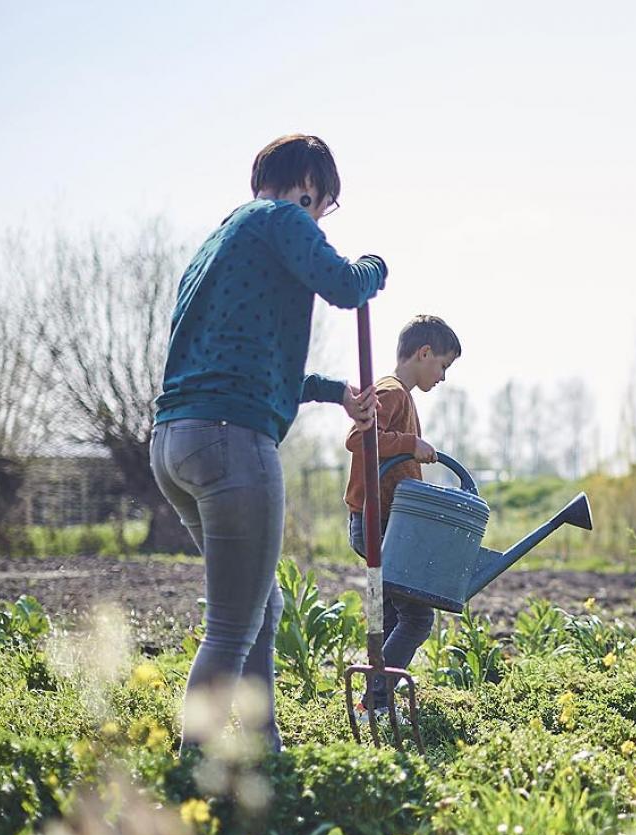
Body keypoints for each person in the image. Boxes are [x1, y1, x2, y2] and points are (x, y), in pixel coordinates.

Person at [150, 133, 387, 751]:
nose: (319, 218)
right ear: (308, 185)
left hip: (175, 441)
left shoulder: (219, 240)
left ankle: (264, 751)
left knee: (262, 607)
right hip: (232, 444)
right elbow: (343, 284)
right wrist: (375, 268)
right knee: (231, 624)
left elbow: (255, 361)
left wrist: (337, 392)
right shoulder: (283, 217)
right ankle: (186, 772)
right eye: (324, 205)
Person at [342, 315, 461, 720]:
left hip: (381, 523)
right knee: (418, 617)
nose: (442, 376)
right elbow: (358, 440)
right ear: (423, 353)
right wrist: (411, 444)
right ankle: (373, 702)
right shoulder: (393, 392)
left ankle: (375, 699)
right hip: (376, 524)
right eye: (442, 365)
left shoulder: (397, 395)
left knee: (394, 614)